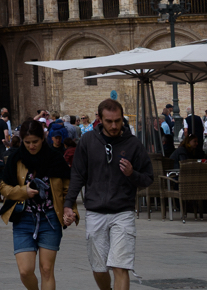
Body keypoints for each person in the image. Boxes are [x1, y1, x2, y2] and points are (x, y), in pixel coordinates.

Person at [63, 99, 153, 290]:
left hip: (123, 212)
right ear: (100, 120)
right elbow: (78, 175)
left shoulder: (133, 144)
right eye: (109, 121)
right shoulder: (88, 141)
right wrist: (68, 204)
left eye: (118, 121)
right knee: (99, 268)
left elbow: (148, 178)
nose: (114, 126)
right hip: (95, 211)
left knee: (121, 266)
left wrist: (132, 174)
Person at [0, 118, 72, 290]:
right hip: (23, 219)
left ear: (43, 138)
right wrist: (24, 191)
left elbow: (67, 191)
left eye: (35, 142)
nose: (32, 146)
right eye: (27, 142)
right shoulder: (16, 158)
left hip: (50, 219)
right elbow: (4, 188)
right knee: (25, 271)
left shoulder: (55, 158)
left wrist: (70, 211)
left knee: (47, 269)